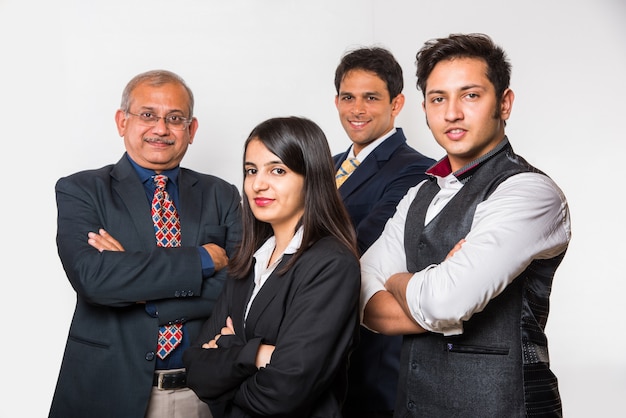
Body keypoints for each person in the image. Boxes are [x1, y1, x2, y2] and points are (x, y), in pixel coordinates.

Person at [360, 33, 571, 417]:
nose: (452, 113)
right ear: (424, 108)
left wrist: (398, 279)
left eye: (470, 95)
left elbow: (445, 301)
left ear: (504, 103)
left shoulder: (529, 192)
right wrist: (440, 291)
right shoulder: (417, 194)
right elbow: (360, 295)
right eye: (438, 98)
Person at [49, 70, 243, 418]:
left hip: (200, 395)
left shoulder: (222, 194)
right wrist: (201, 260)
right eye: (148, 115)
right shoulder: (81, 190)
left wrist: (135, 280)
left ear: (191, 129)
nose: (161, 128)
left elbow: (238, 289)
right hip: (106, 390)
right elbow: (95, 281)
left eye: (175, 118)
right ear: (122, 121)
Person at [183, 116, 361, 417]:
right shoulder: (249, 259)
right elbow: (196, 369)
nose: (258, 184)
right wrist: (256, 354)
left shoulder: (331, 264)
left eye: (277, 170)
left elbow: (283, 392)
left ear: (312, 177)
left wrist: (230, 349)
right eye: (251, 171)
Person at [332, 46, 435, 418]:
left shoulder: (416, 170)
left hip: (371, 352)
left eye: (371, 98)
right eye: (348, 97)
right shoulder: (322, 167)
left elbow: (359, 244)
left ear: (396, 103)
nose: (357, 109)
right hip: (317, 349)